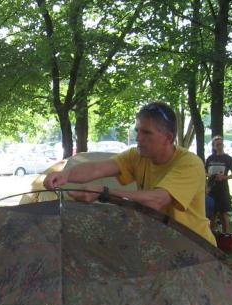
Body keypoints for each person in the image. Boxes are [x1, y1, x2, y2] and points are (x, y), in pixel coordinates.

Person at [44, 101, 216, 246]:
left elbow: (156, 200)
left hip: (197, 248)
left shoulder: (189, 164)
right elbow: (97, 168)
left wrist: (104, 193)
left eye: (146, 132)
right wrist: (65, 175)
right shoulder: (137, 155)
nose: (138, 138)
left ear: (168, 137)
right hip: (163, 243)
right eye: (137, 131)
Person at [205, 135, 232, 232]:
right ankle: (211, 235)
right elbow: (204, 172)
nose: (219, 146)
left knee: (223, 213)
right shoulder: (210, 158)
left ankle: (226, 234)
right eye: (217, 145)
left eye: (221, 144)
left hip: (223, 188)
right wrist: (209, 175)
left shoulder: (228, 159)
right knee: (212, 214)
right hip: (211, 188)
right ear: (214, 146)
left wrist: (224, 177)